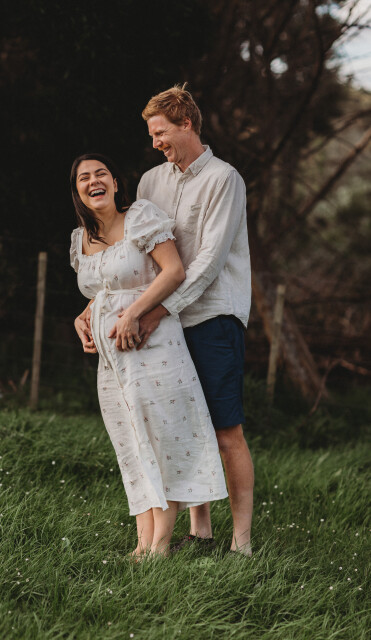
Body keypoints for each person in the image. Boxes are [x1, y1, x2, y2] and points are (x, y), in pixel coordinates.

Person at [75, 86, 254, 556]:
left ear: (186, 124)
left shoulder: (223, 179)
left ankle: (241, 544)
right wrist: (94, 309)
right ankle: (200, 532)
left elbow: (208, 263)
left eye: (160, 133)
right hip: (162, 323)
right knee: (179, 425)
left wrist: (152, 312)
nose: (154, 143)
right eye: (151, 135)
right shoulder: (152, 181)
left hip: (211, 313)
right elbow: (133, 257)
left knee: (224, 430)